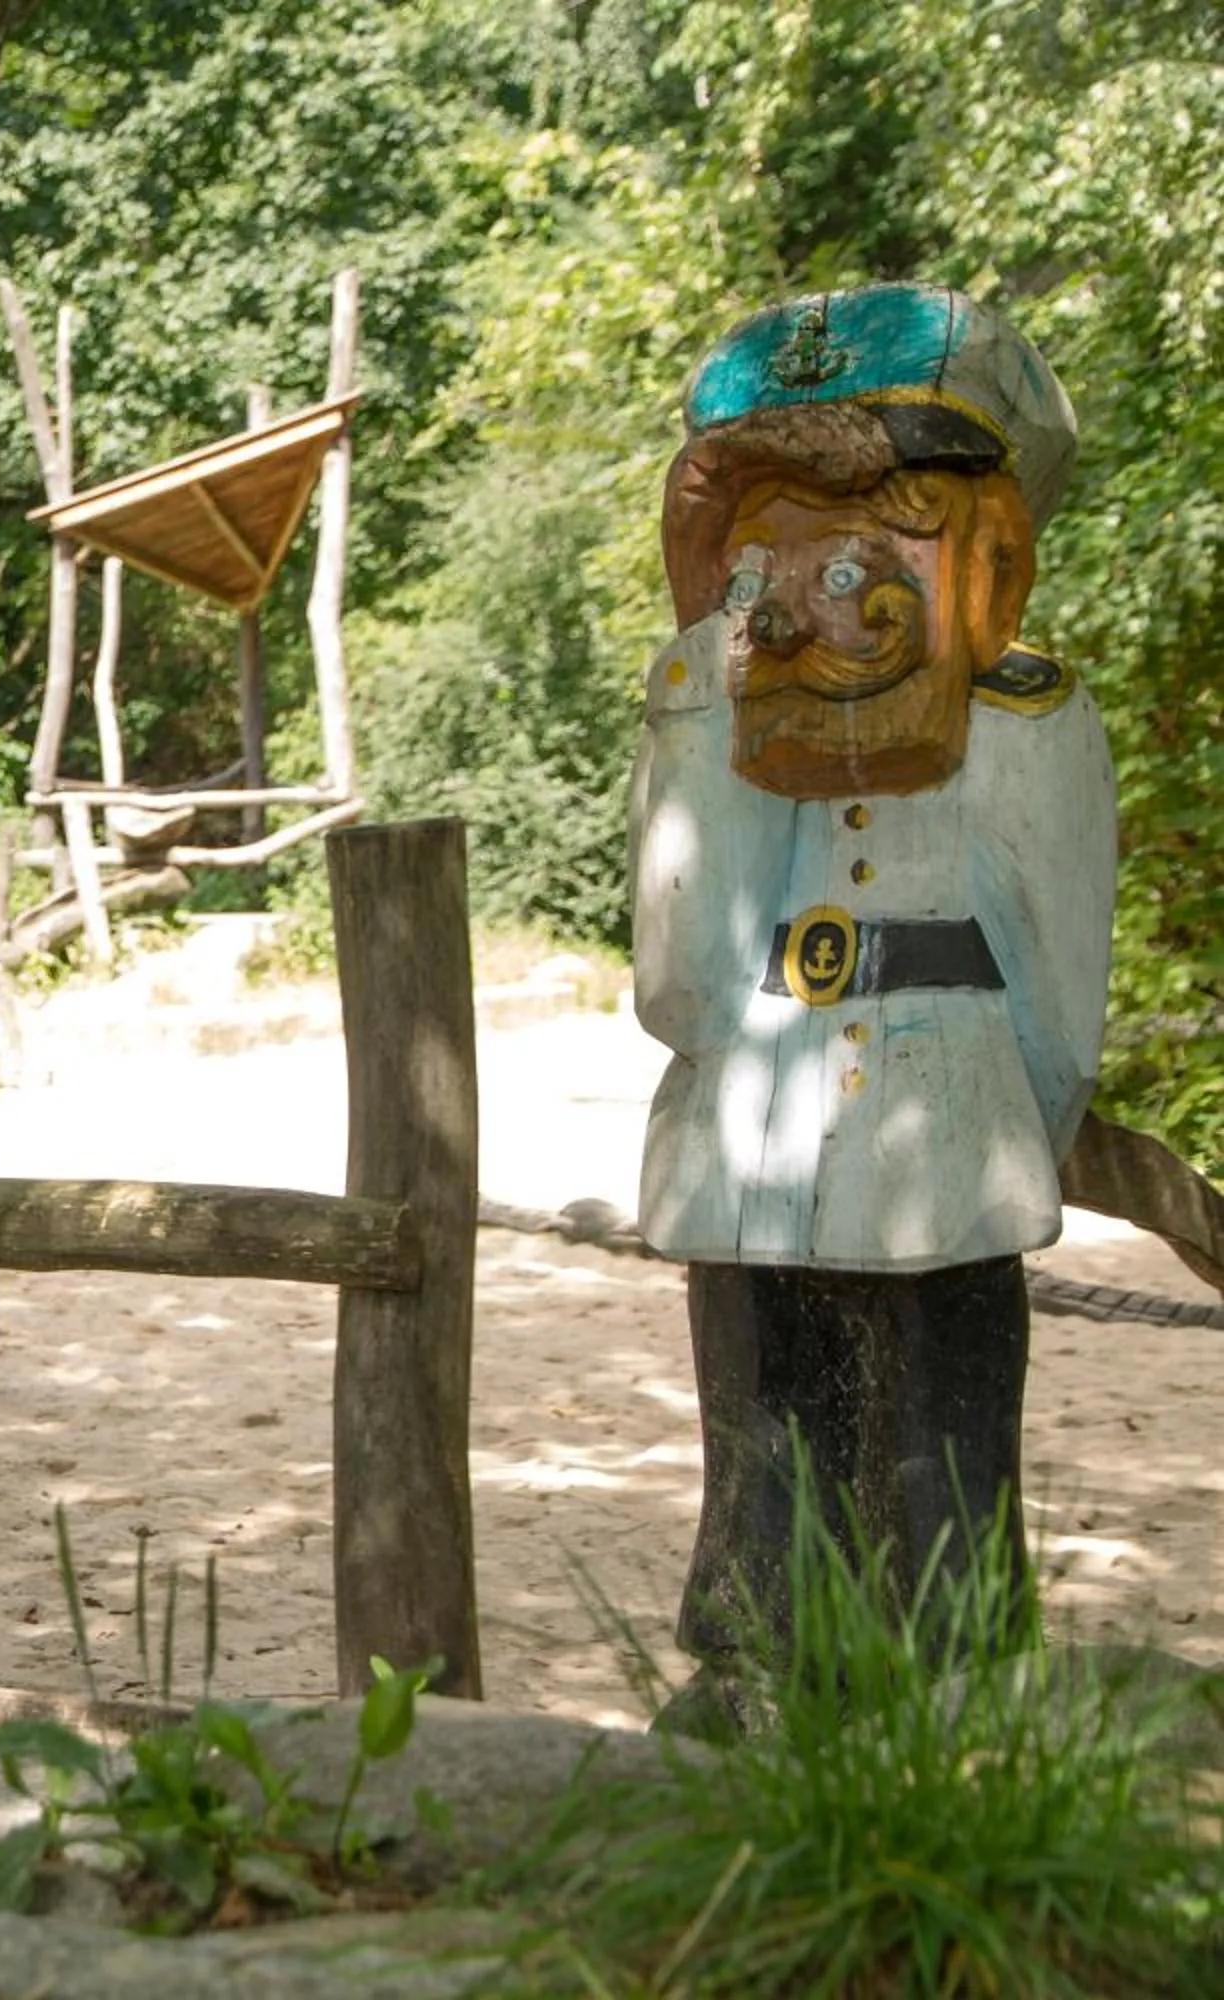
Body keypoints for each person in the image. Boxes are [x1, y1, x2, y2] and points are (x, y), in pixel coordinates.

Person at [627, 284, 1114, 1730]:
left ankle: (953, 1683)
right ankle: (751, 1665)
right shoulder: (712, 700)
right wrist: (706, 716)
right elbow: (686, 986)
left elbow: (1058, 1012)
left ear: (980, 558)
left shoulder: (1028, 725)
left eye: (867, 537)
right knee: (763, 1421)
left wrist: (1010, 1140)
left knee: (936, 1437)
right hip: (746, 1143)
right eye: (763, 545)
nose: (800, 589)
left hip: (946, 1141)